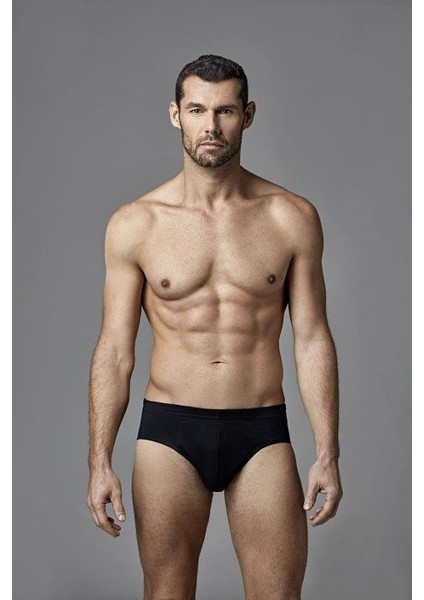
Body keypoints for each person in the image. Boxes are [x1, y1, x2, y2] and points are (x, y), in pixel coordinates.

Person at [86, 54, 343, 600]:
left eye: (225, 111)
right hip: (169, 433)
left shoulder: (291, 217)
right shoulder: (136, 224)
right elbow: (115, 350)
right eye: (197, 110)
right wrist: (99, 460)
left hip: (261, 430)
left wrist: (328, 452)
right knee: (167, 593)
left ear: (247, 116)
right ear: (175, 114)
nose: (211, 125)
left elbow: (312, 338)